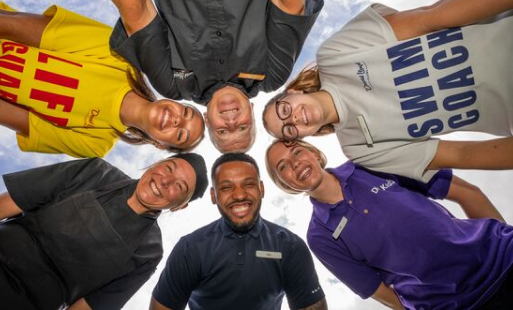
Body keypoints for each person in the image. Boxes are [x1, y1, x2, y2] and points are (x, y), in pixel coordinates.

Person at [262, 0, 513, 182]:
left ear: (294, 91)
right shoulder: (359, 149)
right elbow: (461, 154)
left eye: (284, 110)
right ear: (306, 136)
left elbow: (435, 17)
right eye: (289, 129)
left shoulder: (333, 55)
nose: (293, 119)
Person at [265, 139, 513, 310]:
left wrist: (503, 246)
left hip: (503, 258)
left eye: (296, 152)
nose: (294, 163)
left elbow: (467, 193)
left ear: (314, 153)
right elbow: (382, 293)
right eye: (282, 167)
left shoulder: (369, 162)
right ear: (286, 185)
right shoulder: (319, 236)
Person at [109, 0, 324, 153]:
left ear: (207, 121)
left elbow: (138, 13)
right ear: (251, 110)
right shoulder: (271, 75)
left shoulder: (173, 85)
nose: (231, 122)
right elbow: (290, 6)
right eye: (242, 127)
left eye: (222, 131)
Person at [0, 153, 208, 310]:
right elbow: (11, 202)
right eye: (169, 168)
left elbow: (90, 307)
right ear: (157, 164)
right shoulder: (95, 171)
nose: (165, 181)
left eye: (179, 186)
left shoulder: (149, 253)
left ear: (179, 206)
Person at [0, 2, 204, 158]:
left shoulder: (95, 144)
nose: (178, 121)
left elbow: (15, 116)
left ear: (160, 144)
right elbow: (15, 25)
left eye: (180, 135)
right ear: (175, 102)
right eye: (186, 113)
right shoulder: (121, 61)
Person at [149, 153, 327, 310]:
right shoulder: (189, 248)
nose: (240, 195)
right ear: (213, 196)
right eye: (226, 188)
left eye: (249, 184)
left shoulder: (290, 246)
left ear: (261, 189)